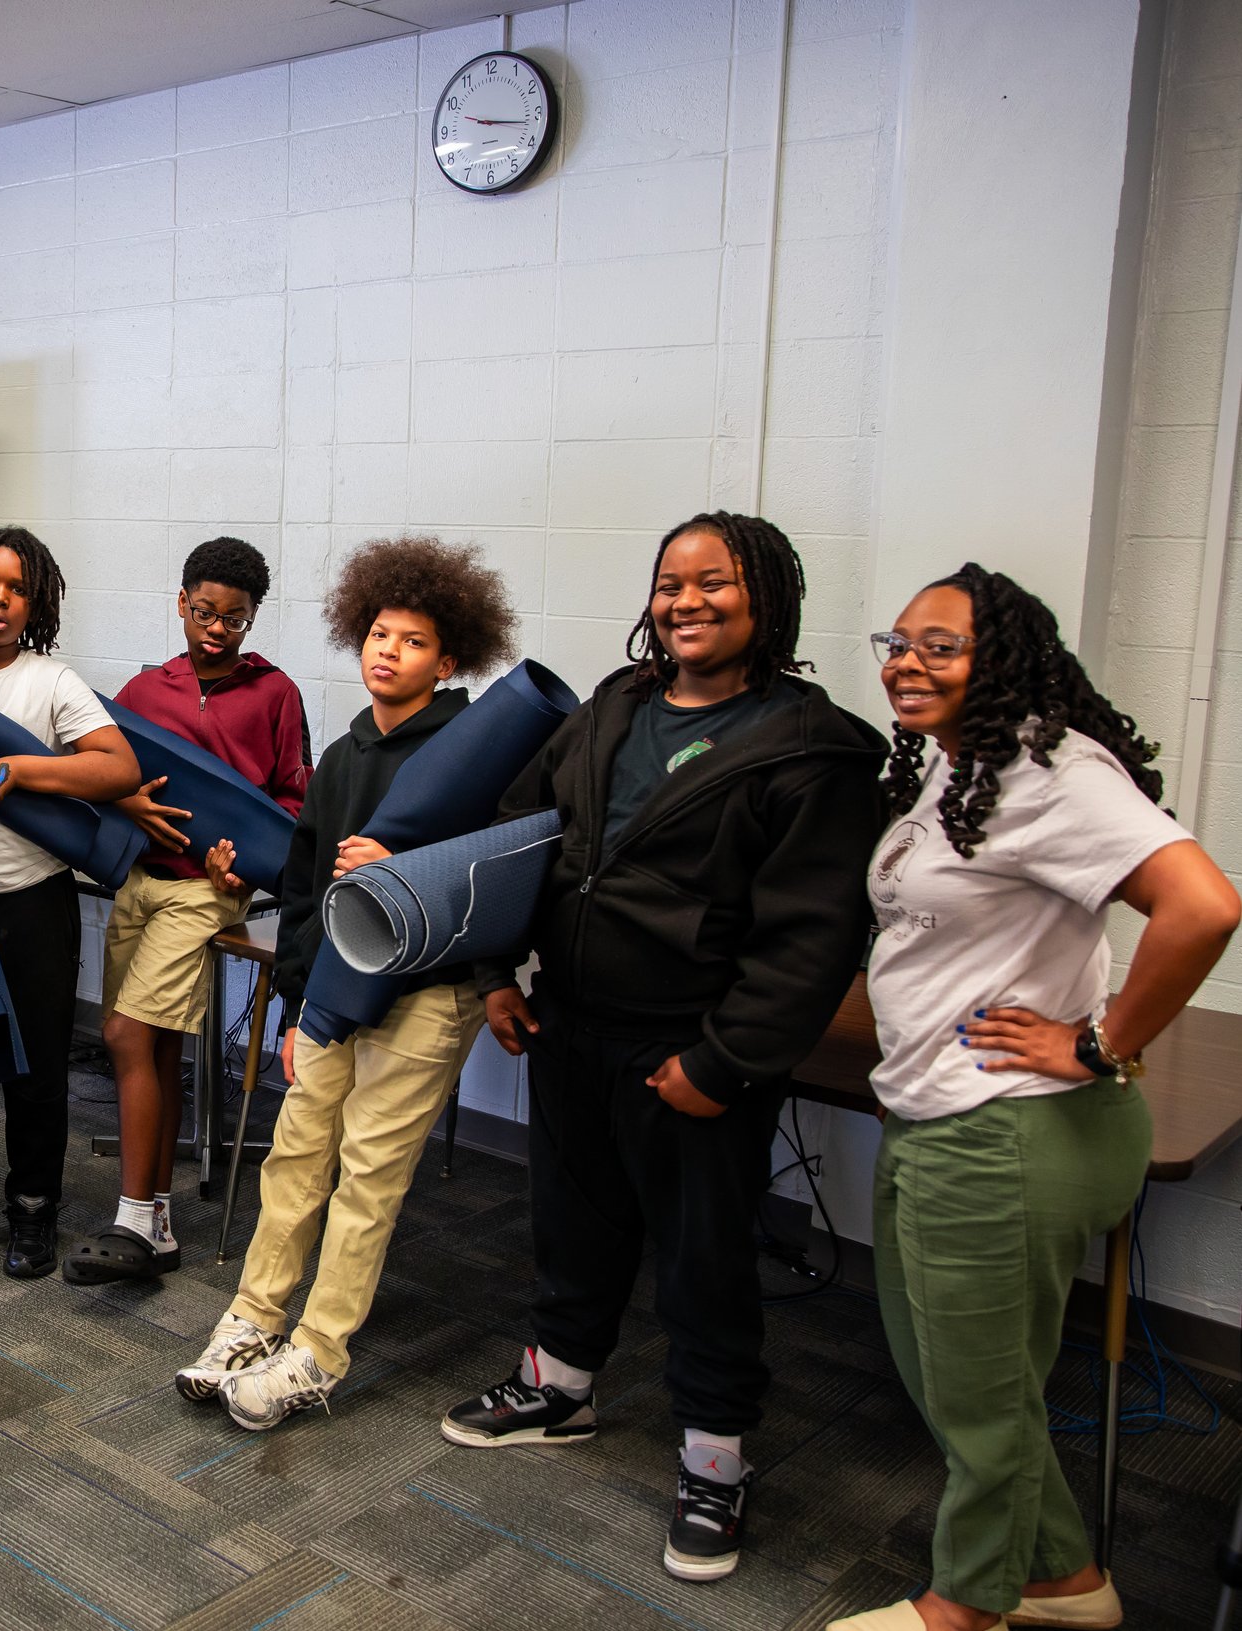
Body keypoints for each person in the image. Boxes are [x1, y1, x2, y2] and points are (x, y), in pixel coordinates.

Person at [442, 512, 886, 1585]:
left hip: (691, 1048)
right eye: (669, 582)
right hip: (570, 1024)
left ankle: (715, 1457)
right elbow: (516, 832)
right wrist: (496, 972)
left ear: (766, 598)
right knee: (571, 1219)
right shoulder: (614, 706)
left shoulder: (810, 747)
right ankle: (559, 1386)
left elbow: (813, 937)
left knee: (703, 1258)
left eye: (713, 581)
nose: (685, 601)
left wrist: (725, 1062)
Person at [828, 567, 1238, 1631]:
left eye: (941, 645)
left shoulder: (1051, 771)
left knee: (978, 1396)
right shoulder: (958, 764)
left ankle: (965, 1606)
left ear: (1003, 660)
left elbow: (1201, 905)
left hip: (1003, 1129)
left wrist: (1097, 1043)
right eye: (898, 641)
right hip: (941, 1110)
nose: (907, 662)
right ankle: (1063, 1579)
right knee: (946, 1374)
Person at [177, 537, 518, 1429]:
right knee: (296, 1155)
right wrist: (295, 1005)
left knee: (368, 1175)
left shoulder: (478, 753)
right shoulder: (344, 752)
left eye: (412, 641)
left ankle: (317, 1350)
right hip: (333, 989)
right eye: (378, 633)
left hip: (427, 994)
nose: (388, 651)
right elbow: (302, 890)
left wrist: (403, 871)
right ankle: (253, 1317)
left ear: (448, 661)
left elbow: (501, 879)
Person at [65, 537, 310, 1285]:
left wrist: (241, 866)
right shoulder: (145, 691)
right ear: (182, 603)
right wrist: (126, 804)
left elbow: (292, 802)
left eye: (235, 619)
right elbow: (108, 776)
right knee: (154, 1049)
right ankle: (161, 1222)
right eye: (205, 613)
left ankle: (132, 1218)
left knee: (122, 1031)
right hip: (140, 879)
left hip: (208, 890)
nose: (217, 630)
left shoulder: (275, 694)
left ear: (252, 617)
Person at [0, 526, 141, 1278]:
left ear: (35, 605)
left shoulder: (51, 682)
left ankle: (33, 1208)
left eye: (18, 588)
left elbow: (117, 769)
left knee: (36, 1069)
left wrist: (22, 770)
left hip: (33, 899)